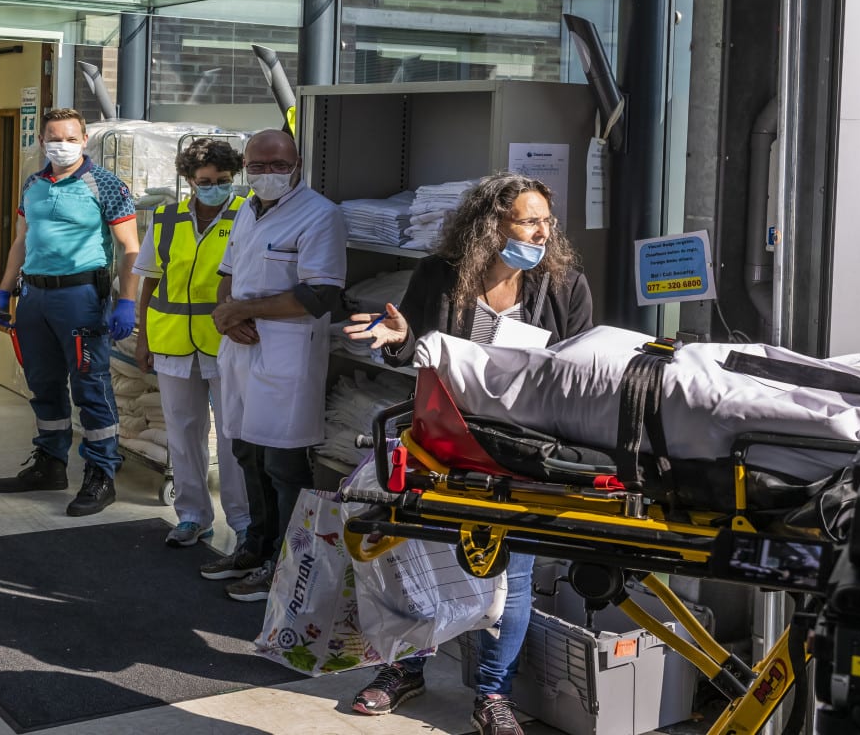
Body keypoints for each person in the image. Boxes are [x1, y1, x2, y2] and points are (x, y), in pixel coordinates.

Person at [341, 171, 594, 735]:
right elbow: (414, 347)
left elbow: (579, 368)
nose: (542, 233)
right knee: (417, 558)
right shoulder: (439, 276)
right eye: (529, 221)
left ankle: (492, 694)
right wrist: (400, 340)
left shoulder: (564, 285)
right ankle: (404, 668)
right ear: (491, 224)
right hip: (445, 440)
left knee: (512, 576)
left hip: (522, 450)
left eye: (546, 221)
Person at [200, 129, 346, 603]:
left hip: (287, 354)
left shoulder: (320, 215)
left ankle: (285, 567)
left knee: (283, 465)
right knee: (246, 453)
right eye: (258, 166)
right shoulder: (246, 209)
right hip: (242, 348)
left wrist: (241, 312)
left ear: (297, 164)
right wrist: (228, 318)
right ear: (246, 168)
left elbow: (320, 294)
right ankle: (255, 547)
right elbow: (228, 275)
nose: (268, 174)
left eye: (278, 165)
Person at [0, 108, 143, 518]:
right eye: (54, 138)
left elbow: (131, 247)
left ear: (85, 139)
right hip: (34, 297)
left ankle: (101, 473)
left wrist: (126, 301)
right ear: (42, 141)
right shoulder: (33, 184)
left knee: (90, 386)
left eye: (71, 138)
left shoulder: (105, 184)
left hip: (80, 297)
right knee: (43, 384)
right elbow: (21, 241)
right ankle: (50, 464)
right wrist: (3, 292)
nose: (62, 145)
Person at [134, 138, 253, 549]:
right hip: (171, 340)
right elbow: (150, 281)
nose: (215, 187)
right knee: (183, 433)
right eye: (206, 181)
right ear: (189, 181)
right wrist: (143, 338)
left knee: (233, 434)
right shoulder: (165, 219)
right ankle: (192, 516)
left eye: (223, 180)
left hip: (227, 342)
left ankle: (243, 520)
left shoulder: (248, 215)